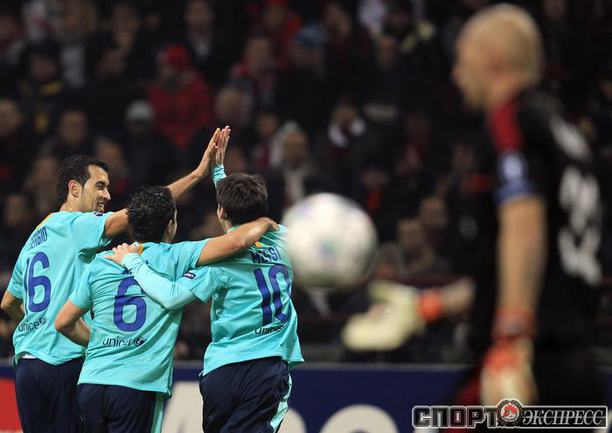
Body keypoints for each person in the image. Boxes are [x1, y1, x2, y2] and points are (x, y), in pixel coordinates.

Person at [345, 3, 605, 410]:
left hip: (524, 367)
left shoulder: (510, 122)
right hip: (573, 363)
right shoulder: (563, 134)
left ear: (492, 59)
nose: (456, 74)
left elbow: (524, 224)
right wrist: (429, 306)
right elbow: (530, 263)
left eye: (463, 62)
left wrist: (512, 335)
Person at [0, 127, 228, 433]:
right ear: (74, 188)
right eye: (100, 186)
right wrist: (199, 174)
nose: (107, 195)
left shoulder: (36, 235)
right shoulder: (77, 225)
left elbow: (9, 302)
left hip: (27, 364)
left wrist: (36, 328)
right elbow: (141, 211)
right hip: (62, 362)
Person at [107, 134, 303, 433]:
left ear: (221, 212)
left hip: (221, 373)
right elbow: (247, 215)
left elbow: (171, 296)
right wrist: (220, 175)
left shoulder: (217, 265)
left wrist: (133, 262)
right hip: (266, 367)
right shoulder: (285, 244)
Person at [54, 181, 276, 432]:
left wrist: (102, 343)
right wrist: (264, 223)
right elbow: (237, 242)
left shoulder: (102, 261)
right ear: (171, 224)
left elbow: (63, 322)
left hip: (91, 383)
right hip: (137, 384)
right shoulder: (178, 255)